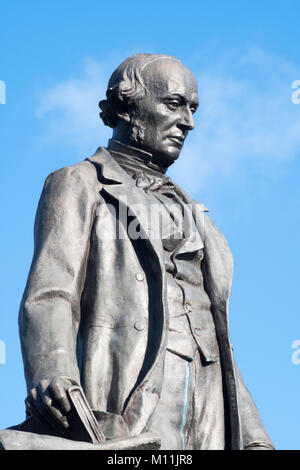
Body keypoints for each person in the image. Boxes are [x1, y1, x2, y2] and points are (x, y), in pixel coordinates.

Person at [18, 53, 274, 450]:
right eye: (173, 104)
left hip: (211, 405)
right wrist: (54, 372)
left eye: (193, 109)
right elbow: (52, 294)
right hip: (132, 390)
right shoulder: (78, 183)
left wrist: (254, 437)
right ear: (128, 106)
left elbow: (220, 341)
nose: (188, 122)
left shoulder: (198, 215)